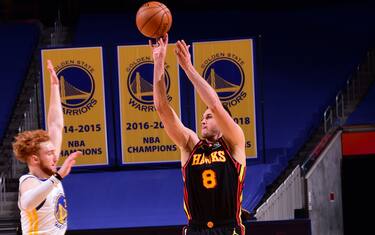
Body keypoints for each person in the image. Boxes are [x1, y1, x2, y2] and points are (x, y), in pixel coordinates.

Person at [150, 34, 247, 235]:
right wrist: (158, 62)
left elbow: (215, 105)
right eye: (203, 117)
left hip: (228, 229)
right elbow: (162, 108)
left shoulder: (234, 143)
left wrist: (188, 68)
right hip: (196, 230)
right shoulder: (190, 145)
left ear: (222, 122)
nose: (203, 120)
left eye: (209, 117)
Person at [12, 60, 81, 235]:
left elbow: (56, 125)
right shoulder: (29, 182)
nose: (55, 156)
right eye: (49, 153)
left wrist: (55, 87)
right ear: (35, 159)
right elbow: (27, 203)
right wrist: (58, 177)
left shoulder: (50, 172)